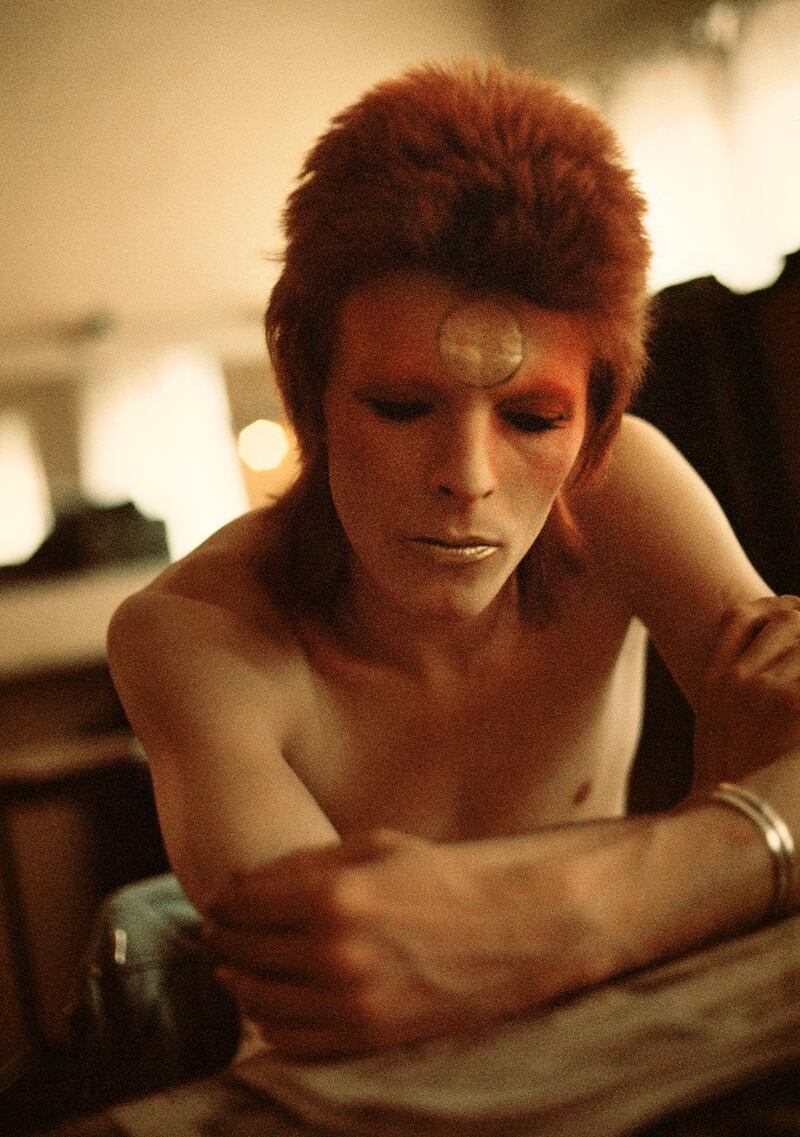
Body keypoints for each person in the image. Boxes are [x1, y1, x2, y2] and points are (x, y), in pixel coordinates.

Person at [107, 60, 800, 1062]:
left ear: (595, 425)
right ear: (311, 394)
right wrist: (733, 844)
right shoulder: (193, 632)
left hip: (621, 1044)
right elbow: (342, 978)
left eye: (531, 417)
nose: (466, 478)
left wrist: (547, 918)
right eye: (400, 407)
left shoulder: (612, 492)